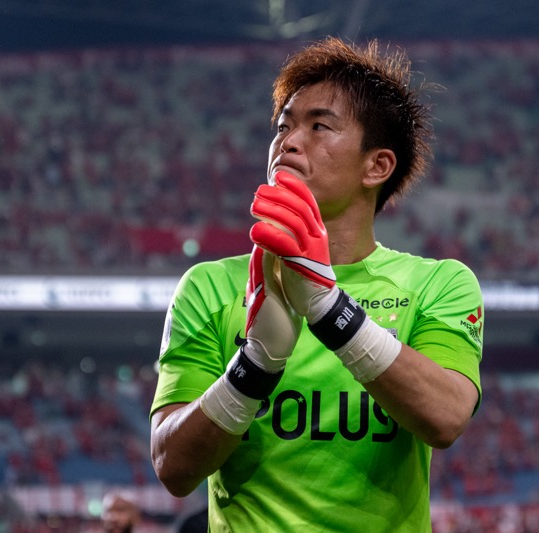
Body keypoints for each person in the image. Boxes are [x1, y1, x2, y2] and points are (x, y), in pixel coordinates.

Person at [150, 36, 483, 531]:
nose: (288, 141)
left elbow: (445, 417)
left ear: (377, 166)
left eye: (319, 125)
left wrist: (331, 312)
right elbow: (174, 468)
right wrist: (256, 365)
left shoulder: (438, 283)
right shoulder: (209, 286)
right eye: (283, 126)